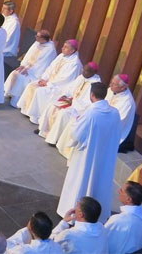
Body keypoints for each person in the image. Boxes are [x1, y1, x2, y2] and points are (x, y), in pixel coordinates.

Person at [57, 83, 121, 220]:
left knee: (82, 181)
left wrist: (75, 119)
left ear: (91, 95)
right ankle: (97, 216)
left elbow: (76, 134)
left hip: (87, 157)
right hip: (105, 156)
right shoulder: (115, 113)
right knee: (99, 181)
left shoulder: (91, 113)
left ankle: (76, 214)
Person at [17, 39, 82, 122]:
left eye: (66, 47)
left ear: (72, 50)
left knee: (40, 91)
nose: (62, 48)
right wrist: (44, 78)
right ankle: (27, 111)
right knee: (31, 85)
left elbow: (64, 79)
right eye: (63, 46)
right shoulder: (61, 56)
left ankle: (36, 117)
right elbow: (50, 68)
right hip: (49, 82)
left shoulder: (74, 63)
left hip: (59, 87)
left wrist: (48, 83)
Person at [3, 30, 58, 106]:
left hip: (36, 73)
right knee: (15, 73)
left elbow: (42, 64)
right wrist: (23, 65)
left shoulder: (50, 49)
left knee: (21, 77)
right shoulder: (37, 43)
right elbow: (28, 55)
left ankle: (16, 100)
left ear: (43, 39)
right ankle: (9, 93)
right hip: (27, 67)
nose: (35, 37)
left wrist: (29, 70)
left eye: (38, 36)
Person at [102, 181, 142, 254]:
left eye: (121, 190)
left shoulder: (118, 220)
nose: (118, 191)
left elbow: (102, 240)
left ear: (129, 199)